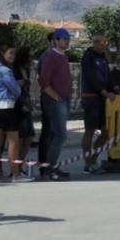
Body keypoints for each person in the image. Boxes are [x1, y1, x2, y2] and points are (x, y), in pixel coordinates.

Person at [37, 27, 72, 180]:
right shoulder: (50, 56)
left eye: (67, 38)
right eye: (64, 39)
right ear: (56, 41)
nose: (67, 41)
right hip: (55, 101)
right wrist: (56, 97)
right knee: (60, 135)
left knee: (56, 135)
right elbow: (43, 81)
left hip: (63, 99)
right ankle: (50, 168)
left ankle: (51, 167)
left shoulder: (63, 57)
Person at [80, 32, 113, 174]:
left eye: (106, 43)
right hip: (91, 97)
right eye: (103, 43)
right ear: (95, 43)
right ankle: (88, 163)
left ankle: (94, 159)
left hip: (103, 98)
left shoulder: (103, 57)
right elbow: (91, 77)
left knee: (106, 131)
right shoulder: (88, 57)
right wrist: (103, 92)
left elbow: (107, 76)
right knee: (90, 130)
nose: (105, 46)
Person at [0, 42, 31, 182]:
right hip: (7, 106)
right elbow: (16, 90)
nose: (13, 56)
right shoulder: (5, 70)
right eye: (10, 53)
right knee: (14, 142)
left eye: (14, 53)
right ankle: (16, 174)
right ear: (2, 54)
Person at [12, 46, 36, 177]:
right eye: (30, 57)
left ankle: (19, 166)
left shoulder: (26, 69)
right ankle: (15, 168)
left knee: (28, 136)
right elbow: (15, 90)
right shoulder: (14, 70)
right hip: (18, 106)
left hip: (26, 104)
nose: (32, 60)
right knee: (20, 137)